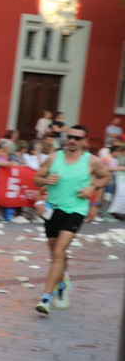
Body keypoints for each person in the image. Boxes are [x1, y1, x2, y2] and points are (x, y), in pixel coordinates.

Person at [33, 125, 111, 315]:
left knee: (59, 251)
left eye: (77, 138)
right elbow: (37, 179)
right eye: (70, 137)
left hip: (76, 210)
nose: (72, 140)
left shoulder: (92, 161)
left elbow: (105, 177)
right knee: (55, 253)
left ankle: (45, 298)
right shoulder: (53, 157)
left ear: (85, 141)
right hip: (53, 209)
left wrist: (92, 189)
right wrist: (45, 182)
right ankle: (63, 280)